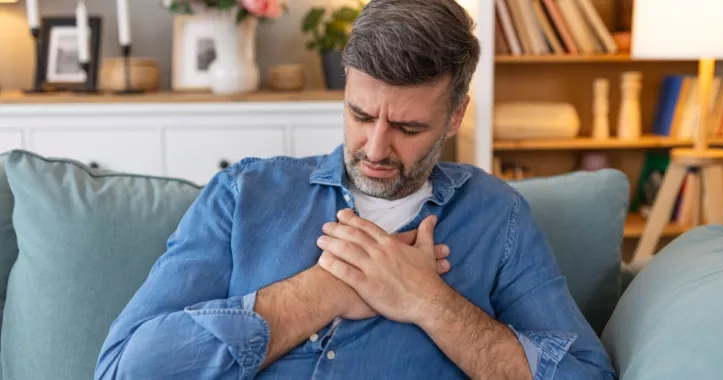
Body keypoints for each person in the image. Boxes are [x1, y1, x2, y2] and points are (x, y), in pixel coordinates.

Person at [94, 0, 617, 379]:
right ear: (345, 85)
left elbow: (584, 376)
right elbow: (125, 369)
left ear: (455, 115)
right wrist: (324, 292)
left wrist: (428, 301)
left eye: (409, 129)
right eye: (360, 114)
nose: (375, 147)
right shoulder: (242, 194)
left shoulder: (497, 217)